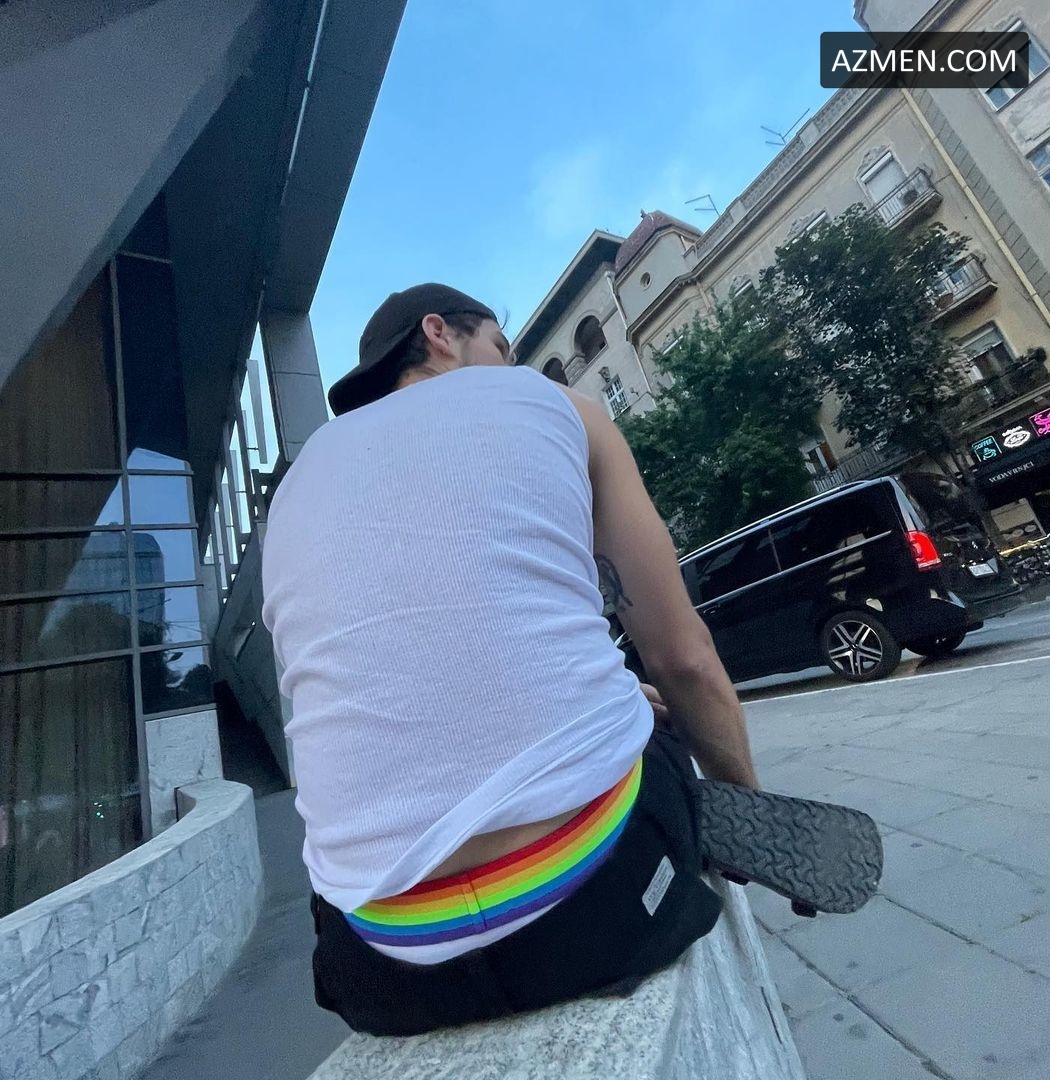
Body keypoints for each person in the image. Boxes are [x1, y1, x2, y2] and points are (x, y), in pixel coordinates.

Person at [261, 283, 880, 1037]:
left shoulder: (298, 482)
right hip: (598, 909)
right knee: (659, 716)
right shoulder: (558, 407)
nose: (512, 365)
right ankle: (680, 804)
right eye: (501, 347)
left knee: (613, 702)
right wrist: (748, 804)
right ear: (440, 334)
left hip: (379, 963)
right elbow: (681, 656)